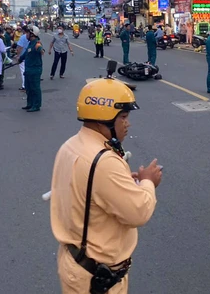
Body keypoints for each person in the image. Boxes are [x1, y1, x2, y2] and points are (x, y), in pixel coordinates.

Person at [50, 77, 160, 293]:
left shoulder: (71, 146)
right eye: (124, 117)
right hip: (96, 278)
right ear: (104, 119)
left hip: (76, 262)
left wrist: (124, 183)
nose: (128, 124)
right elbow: (139, 212)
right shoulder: (104, 161)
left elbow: (87, 191)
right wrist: (148, 182)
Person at [19, 25, 45, 112]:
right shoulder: (30, 43)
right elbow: (26, 53)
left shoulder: (37, 43)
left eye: (27, 33)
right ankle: (30, 104)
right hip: (28, 69)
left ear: (32, 34)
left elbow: (41, 49)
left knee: (35, 88)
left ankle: (36, 105)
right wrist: (20, 59)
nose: (26, 34)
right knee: (28, 88)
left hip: (35, 69)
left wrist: (41, 50)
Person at [17, 26, 30, 90]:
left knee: (23, 71)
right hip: (30, 56)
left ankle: (24, 85)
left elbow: (20, 47)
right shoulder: (32, 37)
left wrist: (18, 56)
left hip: (23, 56)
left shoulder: (22, 37)